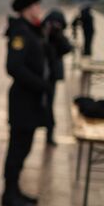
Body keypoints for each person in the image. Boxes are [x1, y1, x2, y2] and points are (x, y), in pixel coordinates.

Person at [3, 0, 49, 206]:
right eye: (37, 5)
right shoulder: (20, 31)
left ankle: (15, 190)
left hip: (30, 100)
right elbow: (13, 66)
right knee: (18, 148)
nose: (39, 9)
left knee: (24, 147)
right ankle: (9, 195)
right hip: (22, 100)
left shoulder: (32, 29)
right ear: (27, 8)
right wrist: (41, 84)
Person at [42, 9, 72, 147]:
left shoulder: (59, 37)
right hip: (40, 75)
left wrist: (58, 34)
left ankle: (49, 134)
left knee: (49, 105)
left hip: (51, 77)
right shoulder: (42, 34)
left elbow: (67, 48)